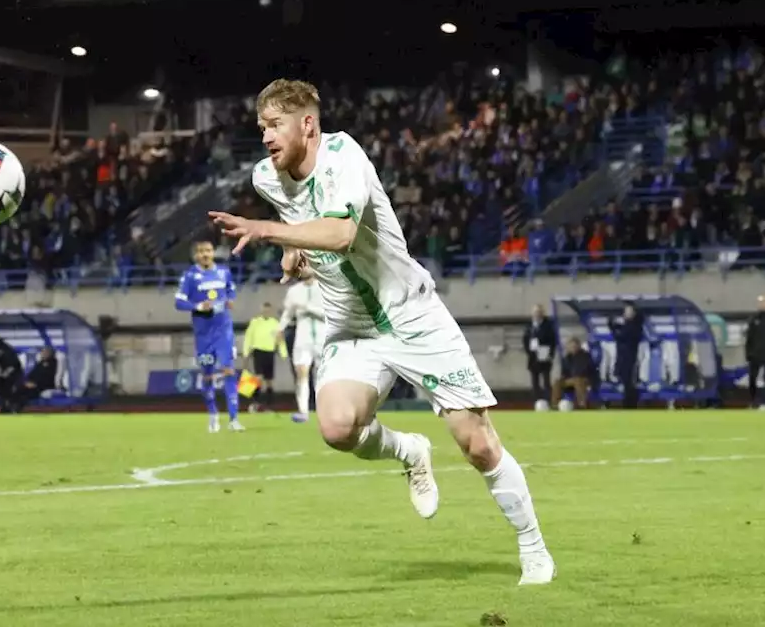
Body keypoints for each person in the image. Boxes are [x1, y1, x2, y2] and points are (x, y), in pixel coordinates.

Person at [208, 78, 555, 585]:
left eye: (275, 125)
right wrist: (292, 250)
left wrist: (265, 231)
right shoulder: (267, 177)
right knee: (336, 427)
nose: (265, 137)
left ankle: (534, 548)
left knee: (477, 444)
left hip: (413, 316)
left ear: (307, 123)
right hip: (352, 327)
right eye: (261, 127)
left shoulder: (345, 155)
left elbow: (342, 234)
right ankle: (409, 451)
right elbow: (301, 220)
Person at [174, 240, 244, 433]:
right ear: (195, 256)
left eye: (208, 250)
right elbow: (179, 303)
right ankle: (213, 416)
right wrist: (198, 306)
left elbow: (230, 290)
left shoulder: (223, 272)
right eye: (201, 252)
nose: (205, 254)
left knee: (229, 370)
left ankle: (233, 419)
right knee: (207, 376)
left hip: (224, 331)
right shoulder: (190, 276)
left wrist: (230, 300)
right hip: (203, 334)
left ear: (213, 252)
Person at [280, 275, 326, 423]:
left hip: (323, 337)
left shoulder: (325, 287)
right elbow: (287, 313)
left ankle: (325, 410)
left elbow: (329, 314)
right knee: (301, 374)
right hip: (302, 337)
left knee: (322, 377)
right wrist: (279, 329)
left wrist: (307, 308)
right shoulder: (293, 291)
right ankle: (303, 411)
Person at [242, 301, 287, 414]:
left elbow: (280, 340)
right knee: (258, 378)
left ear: (270, 311)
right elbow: (248, 338)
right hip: (258, 351)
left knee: (269, 381)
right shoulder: (255, 322)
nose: (266, 312)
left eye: (268, 310)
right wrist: (246, 352)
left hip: (270, 352)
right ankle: (255, 404)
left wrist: (283, 353)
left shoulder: (275, 323)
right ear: (261, 310)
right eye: (264, 310)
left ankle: (269, 406)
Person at [609, 303, 645, 409]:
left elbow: (622, 335)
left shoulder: (635, 326)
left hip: (631, 358)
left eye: (629, 311)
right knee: (625, 381)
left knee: (630, 382)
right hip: (622, 358)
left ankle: (631, 405)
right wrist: (613, 325)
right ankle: (628, 403)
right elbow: (616, 332)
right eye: (626, 311)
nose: (627, 314)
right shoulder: (624, 325)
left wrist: (615, 327)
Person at [522, 304, 557, 406]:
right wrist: (528, 350)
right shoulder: (529, 326)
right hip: (533, 356)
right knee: (535, 382)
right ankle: (537, 402)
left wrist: (550, 354)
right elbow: (525, 340)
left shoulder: (548, 325)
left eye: (539, 312)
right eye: (535, 312)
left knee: (546, 380)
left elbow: (552, 341)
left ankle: (548, 401)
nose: (537, 314)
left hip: (544, 355)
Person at [552, 338, 594, 409]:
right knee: (557, 382)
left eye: (574, 346)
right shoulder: (566, 358)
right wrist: (563, 377)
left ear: (579, 346)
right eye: (571, 346)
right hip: (570, 380)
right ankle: (555, 404)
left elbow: (585, 370)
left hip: (584, 378)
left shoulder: (585, 356)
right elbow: (564, 372)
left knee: (577, 380)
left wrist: (575, 375)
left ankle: (582, 404)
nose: (573, 348)